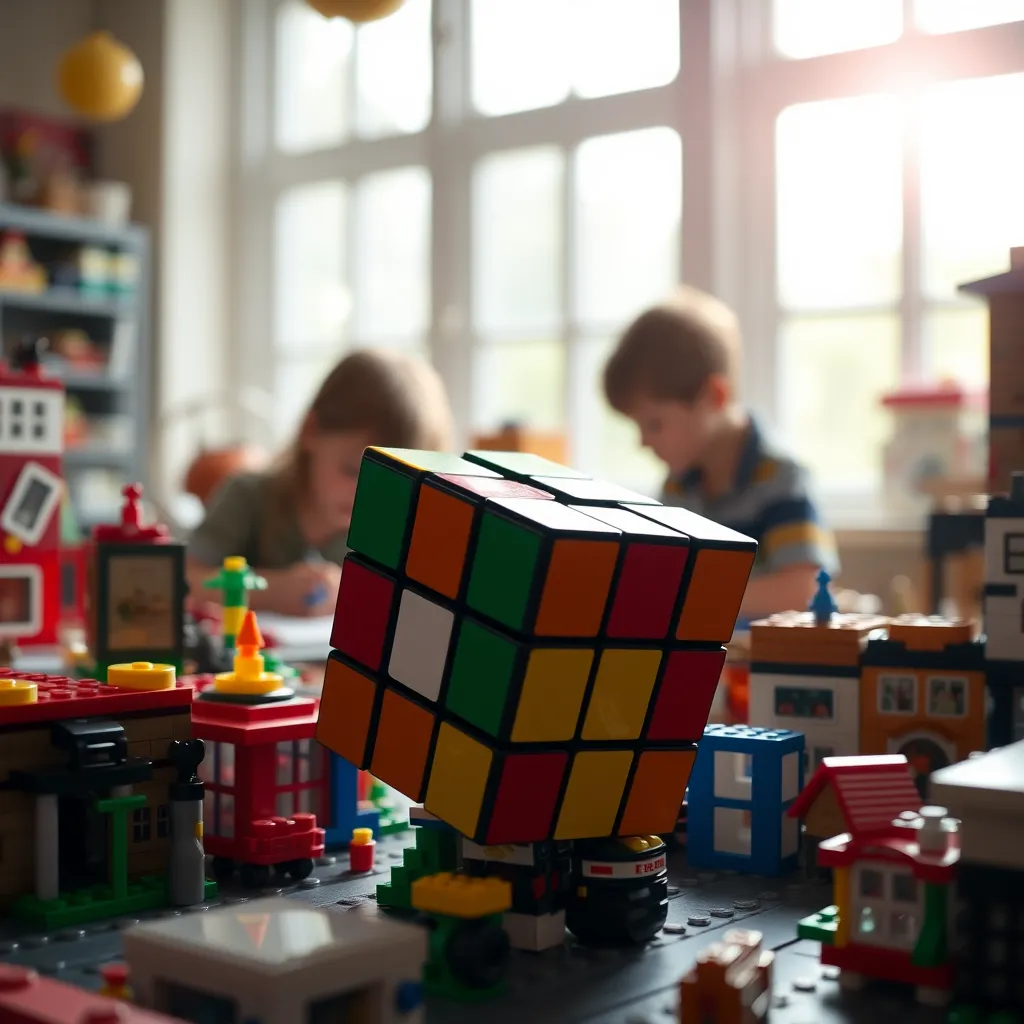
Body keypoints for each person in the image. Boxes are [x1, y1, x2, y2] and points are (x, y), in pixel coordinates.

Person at [603, 285, 838, 620]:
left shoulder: (779, 479)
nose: (643, 442)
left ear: (714, 396)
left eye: (654, 424)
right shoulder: (677, 488)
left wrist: (694, 598)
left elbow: (806, 588)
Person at [187, 348, 454, 617]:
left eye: (391, 486)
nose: (368, 498)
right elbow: (182, 582)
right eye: (352, 471)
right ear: (310, 431)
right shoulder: (246, 498)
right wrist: (273, 592)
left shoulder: (393, 531)